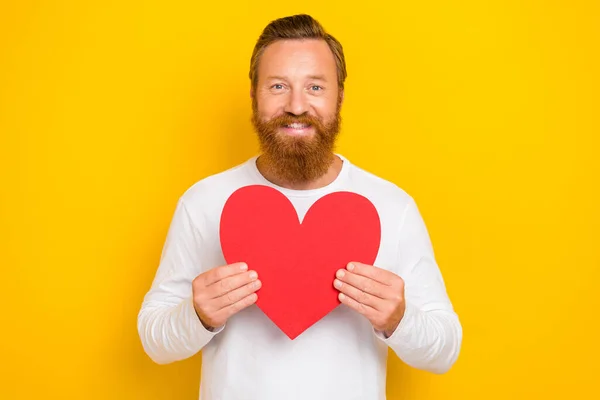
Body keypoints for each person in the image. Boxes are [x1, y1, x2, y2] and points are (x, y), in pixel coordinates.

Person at [137, 13, 462, 400]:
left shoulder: (392, 207)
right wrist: (197, 316)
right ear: (254, 94)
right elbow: (154, 341)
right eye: (278, 86)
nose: (296, 105)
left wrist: (399, 319)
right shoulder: (204, 202)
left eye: (314, 86)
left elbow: (445, 351)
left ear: (339, 95)